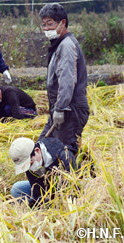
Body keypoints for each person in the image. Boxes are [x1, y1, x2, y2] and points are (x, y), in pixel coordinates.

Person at [37, 3, 89, 152]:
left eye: (50, 24)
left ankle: (83, 173)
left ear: (63, 23)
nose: (46, 29)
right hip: (60, 108)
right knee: (44, 147)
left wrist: (60, 108)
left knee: (64, 151)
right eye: (44, 25)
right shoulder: (59, 44)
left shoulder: (66, 45)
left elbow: (66, 81)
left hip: (69, 110)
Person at [9, 137, 76, 207]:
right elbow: (38, 190)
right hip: (46, 189)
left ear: (37, 151)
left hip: (65, 190)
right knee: (16, 189)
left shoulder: (64, 156)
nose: (29, 168)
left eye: (30, 164)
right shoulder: (30, 165)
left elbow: (72, 188)